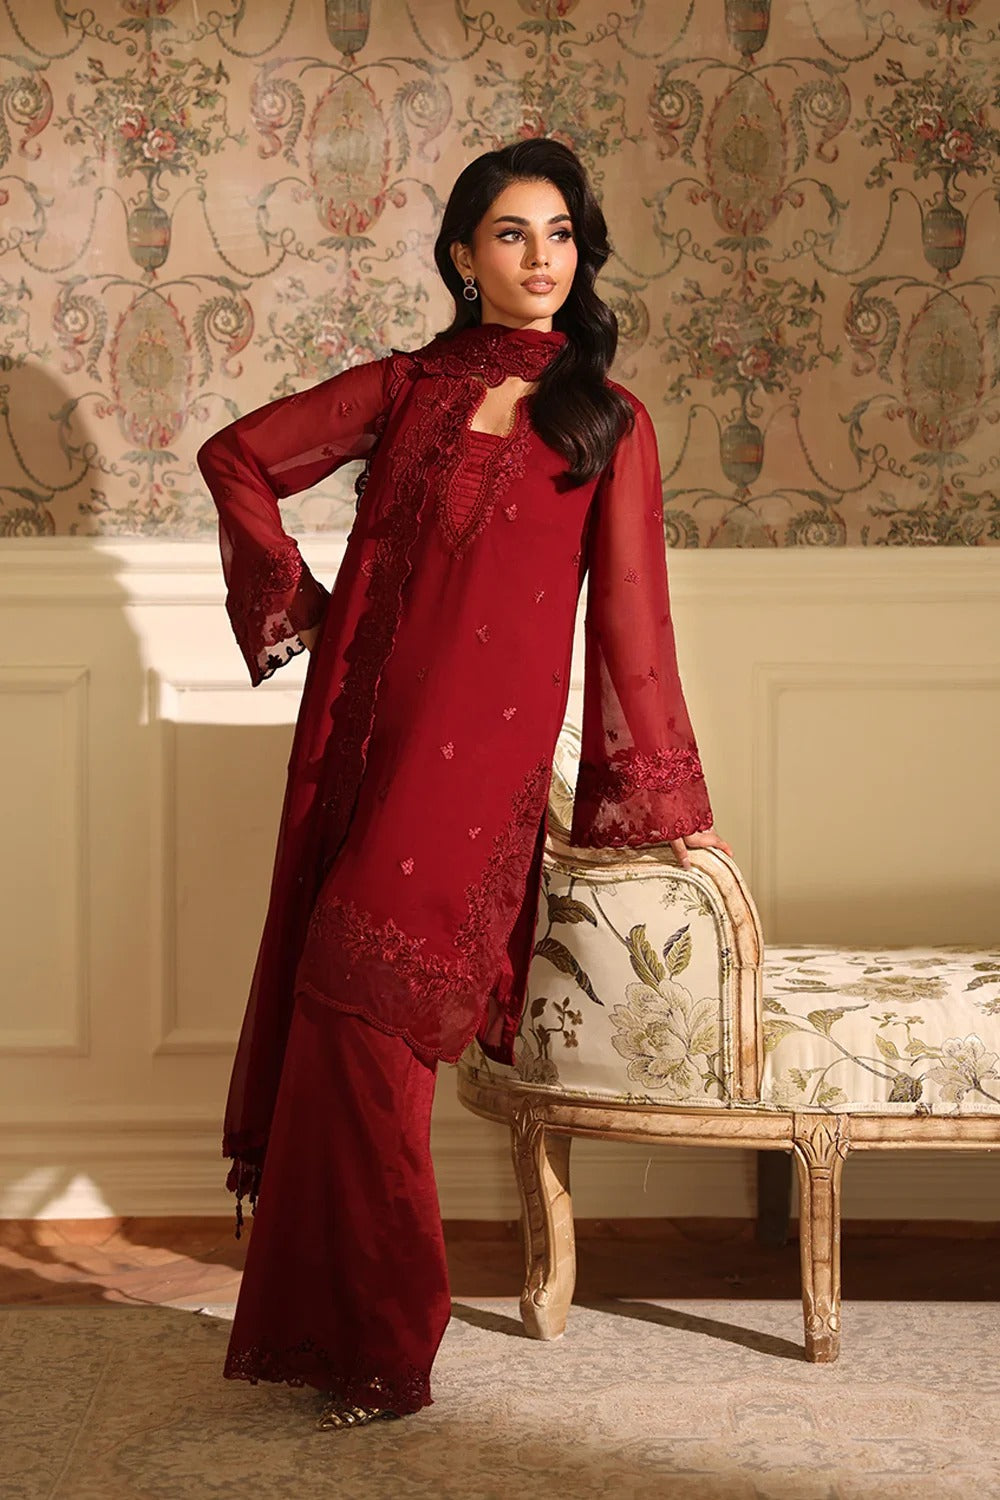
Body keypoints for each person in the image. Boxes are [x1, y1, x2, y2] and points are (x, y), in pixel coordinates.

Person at [196, 137, 732, 1432]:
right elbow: (236, 456)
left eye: (561, 235)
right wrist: (303, 605)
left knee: (368, 1023)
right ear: (461, 256)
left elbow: (632, 626)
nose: (542, 259)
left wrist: (659, 805)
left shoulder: (607, 422)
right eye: (512, 234)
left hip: (475, 781)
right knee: (335, 1026)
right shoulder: (405, 389)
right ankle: (329, 1336)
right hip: (360, 749)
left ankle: (389, 1350)